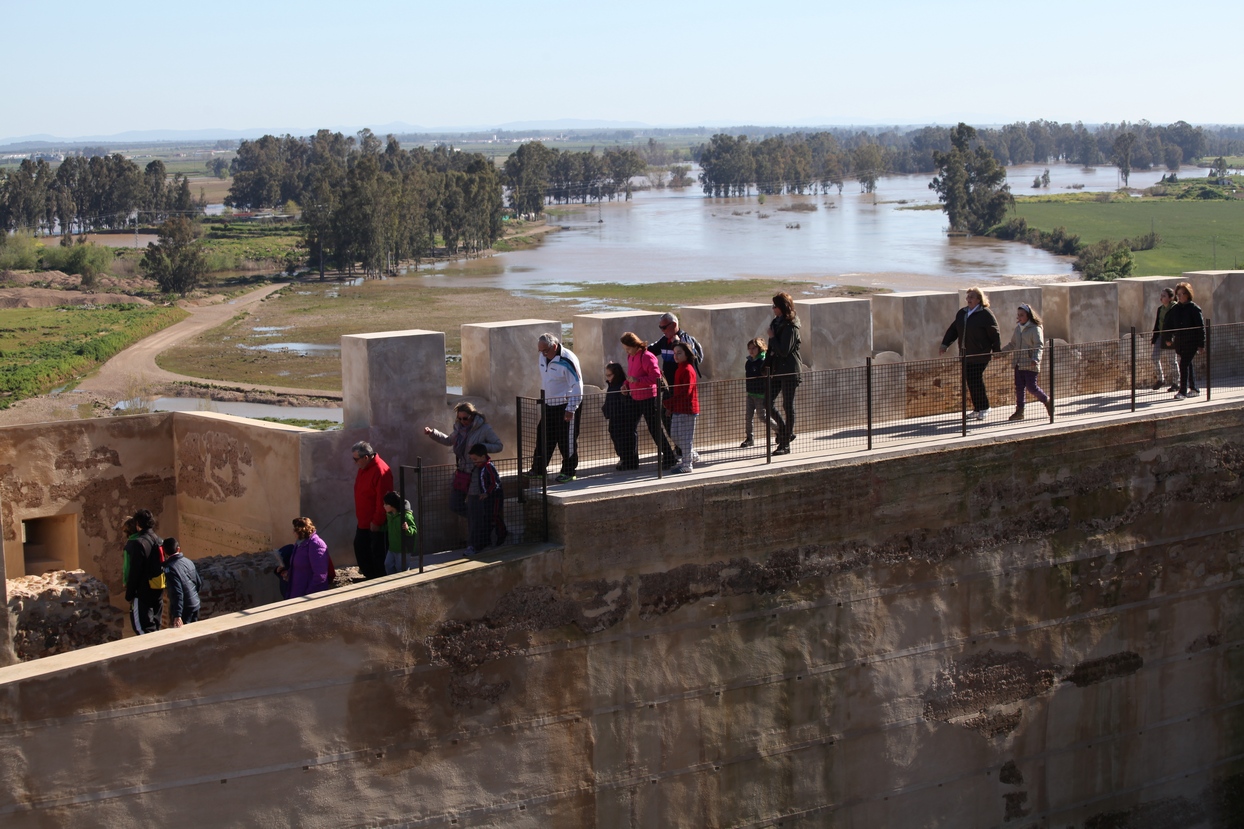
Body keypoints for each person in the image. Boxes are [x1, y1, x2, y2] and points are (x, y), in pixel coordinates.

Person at [423, 402, 503, 519]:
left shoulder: (484, 429)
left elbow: (498, 446)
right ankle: (477, 519)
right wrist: (432, 433)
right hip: (462, 473)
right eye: (459, 418)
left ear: (472, 416)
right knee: (454, 505)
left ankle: (478, 526)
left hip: (476, 475)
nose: (462, 421)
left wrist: (482, 447)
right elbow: (449, 440)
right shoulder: (459, 429)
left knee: (473, 507)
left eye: (465, 418)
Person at [939, 286, 1002, 420]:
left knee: (976, 379)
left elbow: (994, 333)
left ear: (979, 299)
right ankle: (977, 408)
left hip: (980, 354)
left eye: (971, 297)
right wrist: (945, 344)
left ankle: (985, 407)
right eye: (968, 297)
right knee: (970, 381)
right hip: (965, 354)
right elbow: (953, 330)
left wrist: (996, 351)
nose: (968, 299)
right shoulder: (962, 313)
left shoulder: (986, 314)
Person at [649, 312, 704, 458]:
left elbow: (691, 362)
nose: (662, 330)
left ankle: (687, 454)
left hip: (682, 390)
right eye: (660, 327)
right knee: (667, 418)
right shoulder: (664, 340)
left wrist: (676, 344)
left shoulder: (684, 341)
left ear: (673, 325)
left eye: (664, 327)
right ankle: (683, 449)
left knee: (681, 424)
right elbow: (650, 351)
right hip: (669, 388)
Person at [530, 333, 583, 483]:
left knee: (566, 440)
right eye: (540, 350)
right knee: (543, 436)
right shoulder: (543, 356)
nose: (543, 354)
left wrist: (571, 408)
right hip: (549, 404)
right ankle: (538, 469)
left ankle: (568, 471)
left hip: (566, 405)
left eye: (545, 350)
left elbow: (577, 386)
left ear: (554, 346)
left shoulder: (568, 360)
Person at [621, 331, 676, 468]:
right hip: (635, 397)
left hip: (649, 398)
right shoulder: (631, 356)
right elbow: (631, 374)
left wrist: (638, 380)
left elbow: (656, 377)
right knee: (628, 427)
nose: (627, 351)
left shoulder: (647, 357)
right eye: (625, 349)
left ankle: (669, 458)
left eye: (628, 348)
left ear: (635, 345)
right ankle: (631, 461)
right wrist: (626, 385)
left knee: (655, 429)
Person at [765, 292, 804, 455]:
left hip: (789, 370)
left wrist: (773, 337)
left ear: (781, 307)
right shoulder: (776, 322)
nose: (773, 309)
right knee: (768, 402)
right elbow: (772, 349)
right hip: (777, 370)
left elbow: (784, 350)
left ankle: (785, 443)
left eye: (775, 306)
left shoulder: (791, 325)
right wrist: (766, 365)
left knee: (788, 405)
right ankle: (785, 432)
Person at [1002, 304, 1053, 421]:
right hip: (1018, 363)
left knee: (1032, 387)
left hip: (1030, 363)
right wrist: (1001, 353)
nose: (1019, 317)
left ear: (1028, 315)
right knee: (1019, 388)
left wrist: (1036, 358)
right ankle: (1020, 411)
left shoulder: (1035, 329)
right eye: (1018, 315)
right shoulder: (1018, 329)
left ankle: (1046, 400)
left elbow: (1039, 345)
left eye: (1022, 315)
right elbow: (1012, 344)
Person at [351, 441, 392, 580]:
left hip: (374, 523)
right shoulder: (364, 467)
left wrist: (377, 521)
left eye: (356, 459)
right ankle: (370, 577)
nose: (355, 462)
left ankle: (377, 581)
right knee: (362, 550)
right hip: (363, 521)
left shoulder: (380, 470)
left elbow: (383, 499)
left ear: (366, 457)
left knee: (376, 555)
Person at [124, 508, 164, 635]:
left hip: (142, 594)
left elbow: (135, 571)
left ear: (137, 524)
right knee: (155, 628)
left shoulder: (138, 544)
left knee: (142, 630)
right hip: (158, 591)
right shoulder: (158, 540)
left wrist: (129, 594)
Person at [664, 342, 701, 473]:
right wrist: (671, 407)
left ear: (687, 354)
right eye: (675, 353)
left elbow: (686, 392)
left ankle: (687, 465)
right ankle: (691, 455)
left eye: (679, 353)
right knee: (675, 435)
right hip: (678, 408)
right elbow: (678, 391)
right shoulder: (679, 368)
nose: (676, 356)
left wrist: (669, 403)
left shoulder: (688, 369)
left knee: (685, 438)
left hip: (687, 409)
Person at [1165, 281, 1205, 400]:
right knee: (1188, 364)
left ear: (1188, 294)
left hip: (1191, 342)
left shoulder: (1194, 309)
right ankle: (1194, 388)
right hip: (1180, 342)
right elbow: (1169, 324)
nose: (1180, 296)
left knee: (1183, 364)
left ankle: (1182, 391)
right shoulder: (1175, 309)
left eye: (1182, 294)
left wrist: (1201, 344)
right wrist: (1168, 338)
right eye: (1178, 294)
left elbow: (1200, 328)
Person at [466, 443, 506, 555]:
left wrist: (487, 493)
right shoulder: (480, 467)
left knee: (494, 516)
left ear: (483, 457)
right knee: (487, 518)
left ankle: (502, 533)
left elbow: (495, 483)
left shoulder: (488, 466)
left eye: (475, 459)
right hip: (487, 497)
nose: (474, 462)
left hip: (495, 497)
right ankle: (485, 541)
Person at [741, 336, 779, 448]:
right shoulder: (749, 362)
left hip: (760, 394)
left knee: (762, 416)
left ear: (760, 348)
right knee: (748, 416)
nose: (751, 351)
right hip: (750, 393)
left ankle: (779, 430)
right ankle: (749, 438)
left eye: (754, 348)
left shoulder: (763, 361)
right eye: (749, 348)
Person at [602, 362, 638, 470]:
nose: (608, 378)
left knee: (626, 439)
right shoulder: (611, 385)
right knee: (615, 436)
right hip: (614, 416)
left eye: (609, 375)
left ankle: (629, 461)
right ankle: (623, 459)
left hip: (624, 417)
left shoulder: (623, 385)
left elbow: (627, 401)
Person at [161, 537, 203, 627]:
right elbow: (198, 583)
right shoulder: (188, 561)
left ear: (164, 552)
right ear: (178, 549)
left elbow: (177, 592)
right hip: (195, 603)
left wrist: (177, 615)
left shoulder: (170, 568)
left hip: (185, 608)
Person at [288, 516, 329, 598]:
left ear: (300, 531)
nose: (293, 533)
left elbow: (320, 575)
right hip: (297, 591)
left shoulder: (316, 544)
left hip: (307, 595)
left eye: (294, 530)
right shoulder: (299, 544)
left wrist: (308, 593)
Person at [382, 491, 417, 574]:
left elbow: (414, 529)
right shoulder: (390, 515)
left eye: (386, 504)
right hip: (392, 548)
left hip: (403, 549)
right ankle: (392, 581)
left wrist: (408, 529)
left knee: (401, 569)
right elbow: (388, 527)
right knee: (388, 564)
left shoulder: (406, 516)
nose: (384, 506)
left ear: (392, 505)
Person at [1150, 286, 1178, 391]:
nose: (1161, 298)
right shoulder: (1160, 309)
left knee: (1172, 360)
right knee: (1154, 357)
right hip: (1160, 336)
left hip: (1170, 336)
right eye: (1161, 296)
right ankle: (1160, 379)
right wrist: (1154, 337)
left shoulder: (1175, 308)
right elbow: (1157, 324)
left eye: (1164, 296)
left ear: (1171, 298)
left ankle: (1176, 382)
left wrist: (1171, 337)